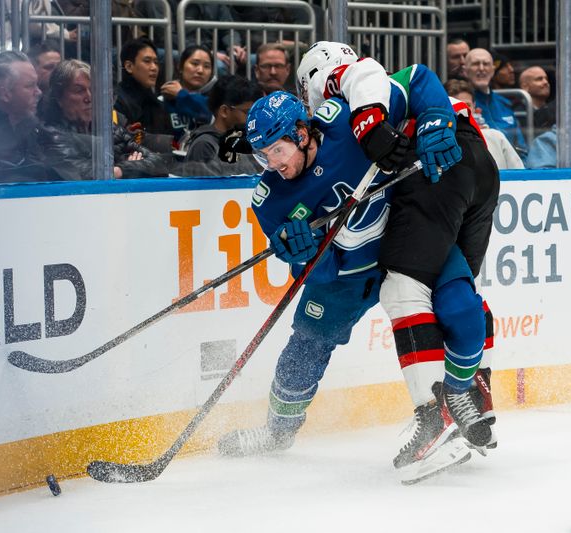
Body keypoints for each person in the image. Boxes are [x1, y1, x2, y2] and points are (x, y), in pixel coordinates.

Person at [216, 92, 478, 484]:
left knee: (461, 308)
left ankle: (456, 400)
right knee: (304, 349)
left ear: (302, 133)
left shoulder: (342, 123)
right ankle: (277, 432)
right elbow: (312, 274)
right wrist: (304, 257)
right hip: (346, 279)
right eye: (262, 156)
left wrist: (435, 120)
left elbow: (418, 84)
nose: (272, 164)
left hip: (411, 243)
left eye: (277, 150)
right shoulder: (268, 198)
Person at [294, 42, 500, 460]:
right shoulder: (348, 124)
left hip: (437, 171)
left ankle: (435, 418)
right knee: (455, 296)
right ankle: (472, 397)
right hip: (479, 171)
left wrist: (370, 122)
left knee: (402, 289)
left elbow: (393, 75)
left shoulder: (351, 88)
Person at [39, 59, 167, 179]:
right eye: (79, 91)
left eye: (93, 89)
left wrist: (120, 170)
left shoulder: (108, 128)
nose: (89, 97)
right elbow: (83, 176)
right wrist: (127, 167)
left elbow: (160, 164)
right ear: (59, 98)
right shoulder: (51, 135)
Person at [0, 51, 61, 183]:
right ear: (4, 93)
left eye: (37, 85)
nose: (39, 92)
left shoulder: (32, 125)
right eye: (30, 86)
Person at [183, 74, 262, 176]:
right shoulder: (204, 145)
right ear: (224, 111)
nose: (253, 118)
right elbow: (201, 189)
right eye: (247, 112)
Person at [444, 78, 524, 170]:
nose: (463, 111)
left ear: (474, 107)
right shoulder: (439, 142)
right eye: (456, 106)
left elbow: (520, 174)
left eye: (467, 105)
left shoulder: (496, 137)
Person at [114, 36, 175, 153]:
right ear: (129, 66)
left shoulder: (157, 104)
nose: (154, 68)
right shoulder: (116, 100)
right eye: (147, 61)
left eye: (156, 62)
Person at [465, 47, 528, 156]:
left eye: (486, 64)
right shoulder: (459, 104)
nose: (481, 68)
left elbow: (522, 150)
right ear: (465, 70)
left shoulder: (505, 104)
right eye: (475, 64)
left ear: (493, 70)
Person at [159, 45, 215, 146]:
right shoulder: (163, 100)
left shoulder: (215, 101)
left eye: (206, 66)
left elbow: (208, 112)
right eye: (194, 63)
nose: (200, 70)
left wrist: (181, 95)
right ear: (180, 67)